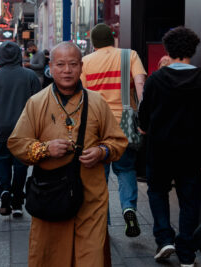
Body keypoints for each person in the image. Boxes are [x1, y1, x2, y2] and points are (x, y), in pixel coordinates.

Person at [8, 42, 127, 266]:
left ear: (81, 66)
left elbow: (118, 141)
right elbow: (17, 143)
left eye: (73, 64)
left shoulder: (97, 102)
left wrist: (102, 151)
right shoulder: (37, 102)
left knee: (90, 257)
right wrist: (45, 149)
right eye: (60, 64)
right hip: (51, 195)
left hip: (90, 196)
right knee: (51, 256)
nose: (67, 70)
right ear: (50, 67)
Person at [138, 26, 201, 267]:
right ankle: (186, 254)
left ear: (168, 50)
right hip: (192, 152)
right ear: (193, 50)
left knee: (157, 192)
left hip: (160, 150)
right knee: (190, 200)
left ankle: (164, 239)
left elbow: (144, 119)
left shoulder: (155, 79)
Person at [80, 23, 146, 237]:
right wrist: (143, 114)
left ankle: (102, 223)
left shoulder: (86, 62)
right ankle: (128, 209)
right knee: (126, 169)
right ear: (112, 39)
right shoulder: (129, 56)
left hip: (95, 124)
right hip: (123, 123)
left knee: (100, 176)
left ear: (93, 43)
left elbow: (80, 95)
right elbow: (140, 83)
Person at [0, 41, 41, 217]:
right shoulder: (30, 76)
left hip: (0, 128)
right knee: (20, 165)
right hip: (24, 129)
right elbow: (38, 105)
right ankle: (18, 201)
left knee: (3, 161)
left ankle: (5, 190)